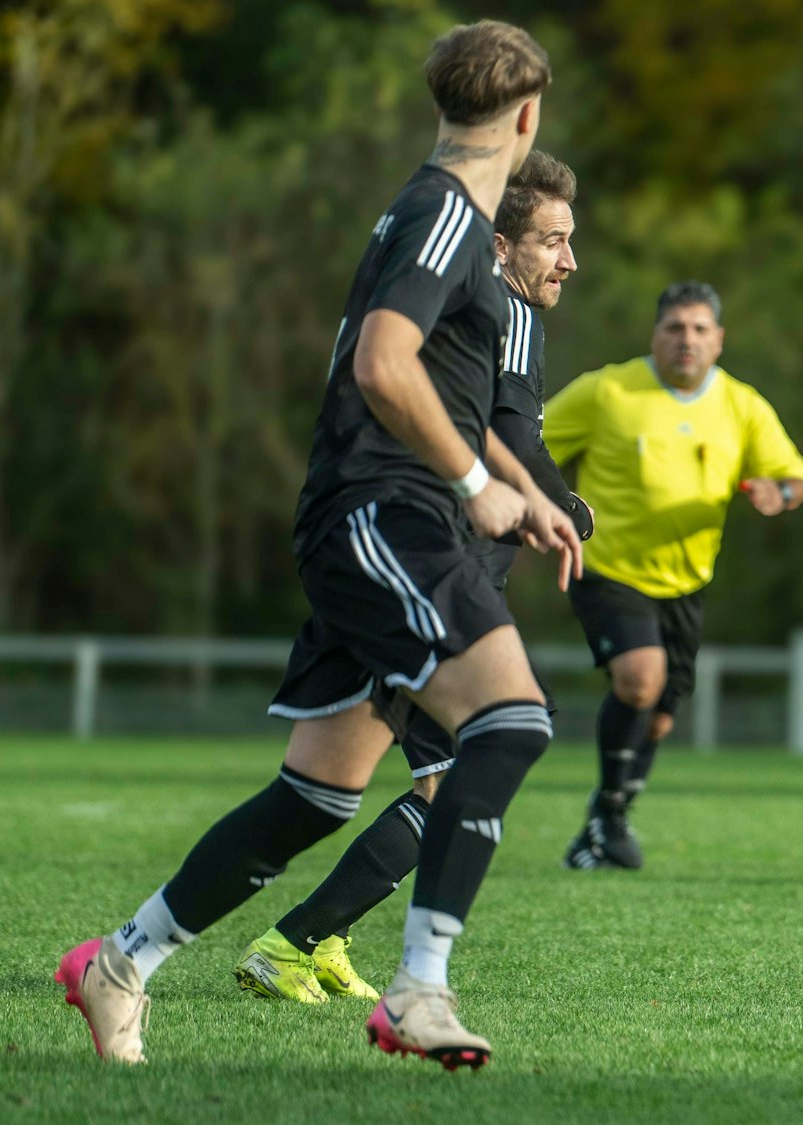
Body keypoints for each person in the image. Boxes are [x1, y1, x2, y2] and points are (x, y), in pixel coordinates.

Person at [53, 22, 581, 1070]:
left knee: (319, 794)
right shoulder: (445, 214)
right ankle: (418, 992)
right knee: (511, 720)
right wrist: (478, 487)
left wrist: (519, 489)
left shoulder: (447, 220)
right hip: (384, 514)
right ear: (527, 118)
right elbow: (385, 367)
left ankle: (120, 964)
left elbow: (443, 386)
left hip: (385, 517)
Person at [232, 149, 590, 1005]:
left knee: (346, 787)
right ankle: (285, 942)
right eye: (552, 241)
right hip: (437, 577)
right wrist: (568, 507)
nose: (570, 261)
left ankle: (303, 940)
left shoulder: (467, 302)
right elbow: (511, 434)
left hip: (420, 563)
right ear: (501, 246)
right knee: (439, 779)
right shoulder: (504, 311)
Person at [542, 280, 803, 870]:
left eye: (698, 329)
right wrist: (547, 504)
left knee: (660, 715)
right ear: (655, 336)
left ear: (718, 341)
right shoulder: (607, 391)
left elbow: (795, 476)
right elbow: (527, 442)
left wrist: (778, 492)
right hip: (609, 567)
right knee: (640, 680)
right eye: (674, 328)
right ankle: (608, 822)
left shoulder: (742, 405)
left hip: (687, 580)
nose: (685, 340)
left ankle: (603, 823)